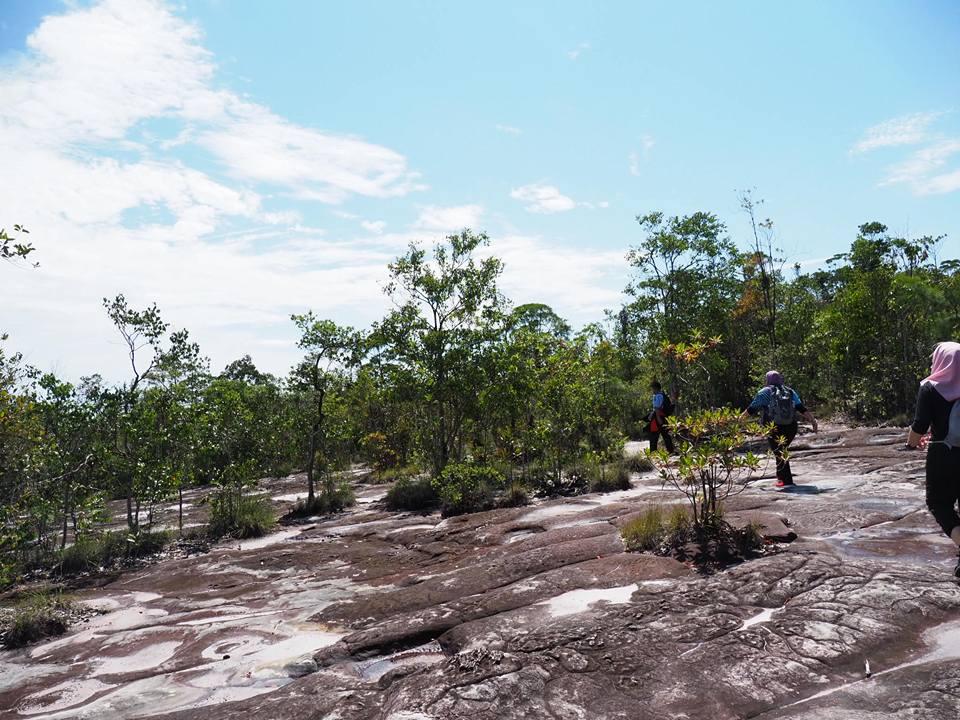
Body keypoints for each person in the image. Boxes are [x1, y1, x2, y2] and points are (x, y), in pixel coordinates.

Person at [907, 342, 960, 576]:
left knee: (939, 504)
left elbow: (919, 426)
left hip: (943, 455)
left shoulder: (930, 387)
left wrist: (910, 444)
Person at [740, 370, 818, 487]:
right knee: (781, 450)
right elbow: (801, 408)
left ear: (768, 380)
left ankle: (785, 481)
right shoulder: (790, 391)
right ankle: (782, 478)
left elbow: (751, 409)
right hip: (791, 427)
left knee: (779, 452)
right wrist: (813, 421)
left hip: (774, 427)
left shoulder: (764, 392)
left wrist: (739, 420)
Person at [648, 380, 675, 453]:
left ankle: (653, 452)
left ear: (655, 388)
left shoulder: (658, 396)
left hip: (658, 418)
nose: (652, 390)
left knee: (654, 436)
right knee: (666, 434)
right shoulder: (663, 395)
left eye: (652, 388)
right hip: (663, 417)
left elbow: (657, 408)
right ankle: (670, 451)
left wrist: (658, 418)